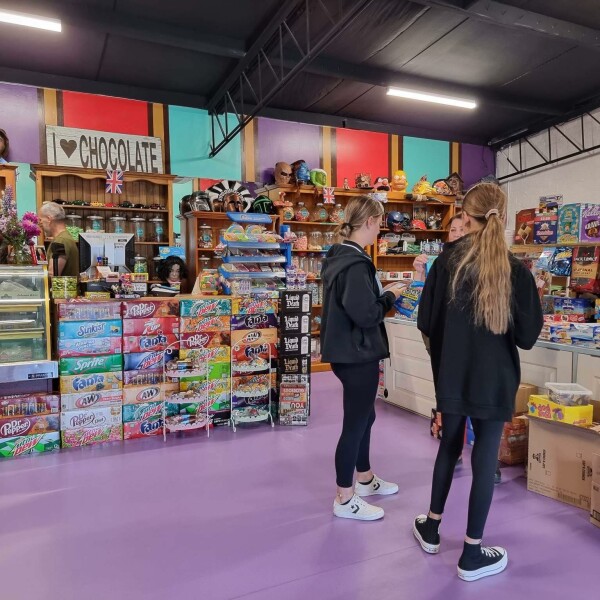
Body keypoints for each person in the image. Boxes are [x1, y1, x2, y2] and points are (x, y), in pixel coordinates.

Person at [412, 183, 542, 581]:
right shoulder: (515, 270)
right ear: (501, 216)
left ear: (465, 215)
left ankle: (432, 527)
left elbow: (425, 323)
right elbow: (527, 336)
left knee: (449, 446)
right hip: (495, 378)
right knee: (484, 457)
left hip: (451, 373)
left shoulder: (446, 262)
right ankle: (472, 552)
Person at [321, 195, 406, 521]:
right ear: (369, 221)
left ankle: (366, 479)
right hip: (357, 353)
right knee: (355, 423)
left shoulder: (341, 257)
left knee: (365, 417)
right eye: (380, 223)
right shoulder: (355, 265)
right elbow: (367, 314)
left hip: (348, 352)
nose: (380, 231)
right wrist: (390, 295)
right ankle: (345, 497)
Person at [39, 202, 79, 277]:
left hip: (62, 289)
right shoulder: (65, 237)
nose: (40, 223)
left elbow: (53, 274)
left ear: (49, 219)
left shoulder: (60, 241)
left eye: (40, 220)